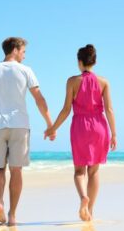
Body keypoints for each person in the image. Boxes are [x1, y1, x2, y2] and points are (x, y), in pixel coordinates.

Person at [0, 37, 55, 226]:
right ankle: (12, 215)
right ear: (14, 49)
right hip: (19, 125)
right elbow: (39, 99)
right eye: (23, 51)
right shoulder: (26, 70)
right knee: (16, 170)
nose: (24, 55)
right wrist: (49, 123)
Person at [45, 44, 117, 221]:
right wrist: (114, 134)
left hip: (80, 126)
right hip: (99, 127)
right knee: (94, 171)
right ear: (95, 61)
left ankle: (83, 197)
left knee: (79, 171)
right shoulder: (104, 82)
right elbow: (109, 109)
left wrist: (52, 128)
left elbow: (65, 110)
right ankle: (90, 210)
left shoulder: (72, 81)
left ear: (79, 62)